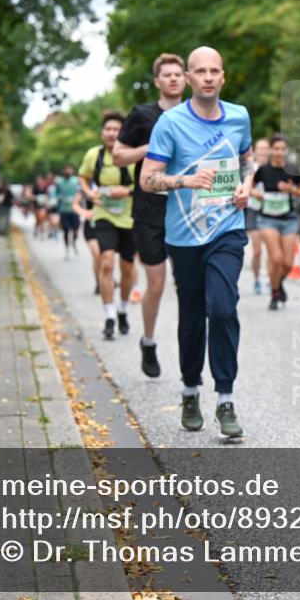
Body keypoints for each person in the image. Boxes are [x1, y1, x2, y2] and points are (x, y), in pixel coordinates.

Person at [140, 46, 253, 438]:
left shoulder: (239, 116)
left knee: (222, 309)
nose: (208, 77)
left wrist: (246, 187)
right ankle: (190, 391)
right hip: (184, 237)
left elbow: (247, 161)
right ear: (188, 77)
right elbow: (147, 179)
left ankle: (225, 399)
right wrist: (185, 180)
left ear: (223, 76)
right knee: (191, 316)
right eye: (200, 71)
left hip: (227, 229)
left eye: (214, 71)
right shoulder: (170, 123)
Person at [112, 53, 187, 378]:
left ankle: (190, 349)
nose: (172, 79)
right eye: (166, 75)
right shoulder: (142, 115)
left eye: (177, 74)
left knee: (186, 285)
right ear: (157, 81)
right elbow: (117, 157)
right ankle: (149, 340)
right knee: (155, 283)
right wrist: (151, 148)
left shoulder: (195, 115)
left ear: (186, 79)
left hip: (185, 209)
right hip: (148, 211)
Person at [79, 111, 136, 340]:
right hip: (103, 214)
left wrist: (128, 190)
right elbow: (82, 177)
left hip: (130, 217)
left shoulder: (133, 154)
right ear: (102, 132)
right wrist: (89, 193)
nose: (112, 133)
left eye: (117, 130)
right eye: (108, 129)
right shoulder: (95, 155)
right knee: (106, 262)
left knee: (128, 269)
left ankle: (122, 308)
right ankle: (110, 316)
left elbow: (146, 181)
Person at [251, 134, 300, 310]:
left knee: (288, 263)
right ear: (271, 150)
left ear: (286, 150)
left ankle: (277, 284)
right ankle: (275, 294)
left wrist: (291, 189)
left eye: (283, 149)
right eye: (276, 149)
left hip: (288, 219)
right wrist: (255, 193)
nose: (279, 152)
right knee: (276, 258)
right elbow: (249, 186)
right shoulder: (263, 170)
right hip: (267, 219)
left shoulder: (293, 169)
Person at [246, 138, 270, 294]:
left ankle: (269, 279)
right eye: (260, 149)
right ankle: (256, 280)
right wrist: (257, 194)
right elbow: (246, 187)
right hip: (253, 211)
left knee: (271, 249)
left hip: (269, 212)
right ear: (255, 151)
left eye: (265, 149)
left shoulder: (274, 168)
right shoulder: (251, 168)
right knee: (257, 251)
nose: (262, 152)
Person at [73, 187, 102, 295]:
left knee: (104, 257)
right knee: (97, 254)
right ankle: (99, 282)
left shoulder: (112, 182)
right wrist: (84, 212)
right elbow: (75, 204)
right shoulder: (86, 186)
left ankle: (106, 278)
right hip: (91, 226)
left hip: (108, 225)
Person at [55, 164, 81, 259]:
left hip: (74, 210)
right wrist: (62, 198)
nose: (68, 171)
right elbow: (56, 194)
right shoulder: (59, 182)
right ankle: (67, 249)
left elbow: (80, 193)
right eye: (66, 169)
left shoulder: (76, 181)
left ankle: (73, 243)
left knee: (76, 230)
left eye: (69, 169)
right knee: (65, 230)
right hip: (64, 210)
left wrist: (76, 200)